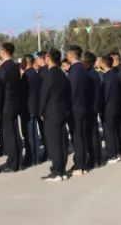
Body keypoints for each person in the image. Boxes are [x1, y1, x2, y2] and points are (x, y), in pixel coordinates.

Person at [37, 48, 70, 182]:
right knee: (61, 141)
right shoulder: (62, 73)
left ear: (49, 59)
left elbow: (44, 93)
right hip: (61, 111)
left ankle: (56, 171)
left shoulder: (50, 74)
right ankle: (62, 170)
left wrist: (40, 111)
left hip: (52, 112)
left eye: (46, 57)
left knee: (54, 142)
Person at [66, 46, 92, 176]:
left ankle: (80, 165)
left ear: (72, 55)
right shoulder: (81, 68)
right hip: (82, 106)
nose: (66, 56)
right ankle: (81, 163)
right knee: (81, 136)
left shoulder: (75, 69)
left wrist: (67, 105)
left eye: (67, 54)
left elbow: (72, 90)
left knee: (77, 137)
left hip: (75, 108)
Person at [0, 42, 23, 172]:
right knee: (15, 132)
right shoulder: (14, 66)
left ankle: (12, 163)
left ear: (4, 51)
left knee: (9, 134)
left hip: (6, 104)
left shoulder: (4, 67)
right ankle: (18, 161)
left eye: (0, 50)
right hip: (15, 103)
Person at [102, 51, 121, 163]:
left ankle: (112, 155)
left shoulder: (108, 76)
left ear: (104, 63)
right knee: (114, 131)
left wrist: (101, 106)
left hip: (108, 108)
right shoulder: (114, 75)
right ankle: (117, 153)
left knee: (109, 133)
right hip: (115, 107)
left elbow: (105, 95)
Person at [21, 54, 44, 166]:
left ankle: (31, 158)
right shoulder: (36, 74)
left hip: (27, 108)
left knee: (29, 134)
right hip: (35, 107)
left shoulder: (26, 76)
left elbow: (23, 93)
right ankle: (36, 158)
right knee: (34, 134)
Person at [87, 52, 105, 168]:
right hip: (94, 107)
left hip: (91, 107)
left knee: (92, 134)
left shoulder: (90, 75)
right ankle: (97, 158)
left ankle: (95, 158)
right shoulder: (93, 73)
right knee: (94, 134)